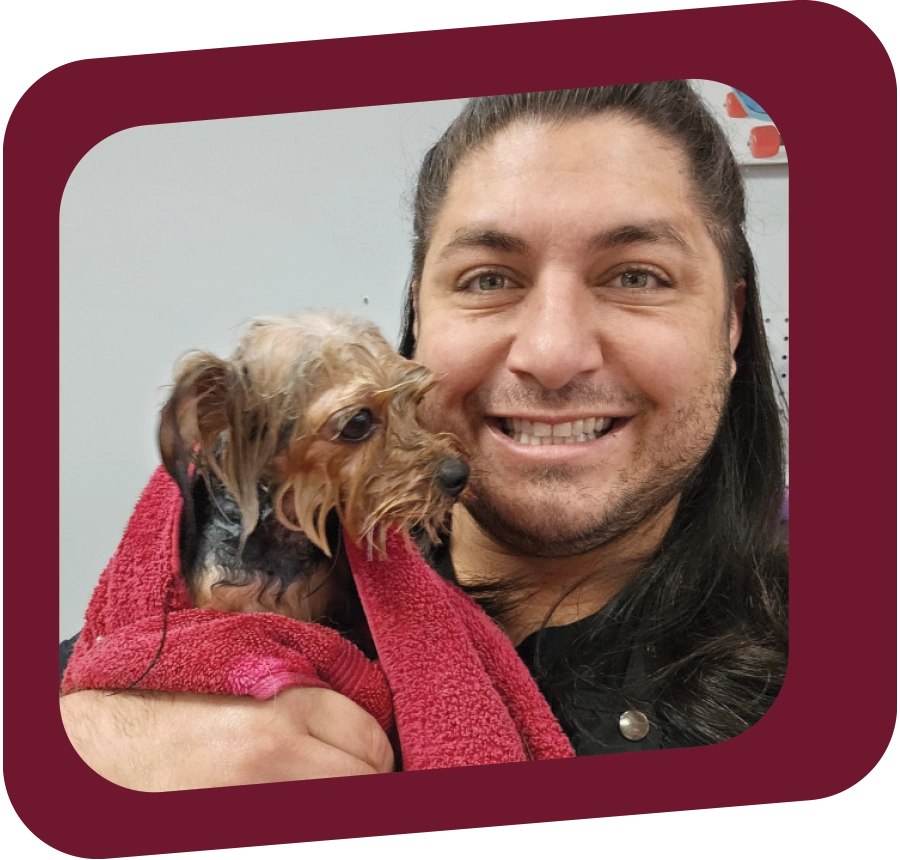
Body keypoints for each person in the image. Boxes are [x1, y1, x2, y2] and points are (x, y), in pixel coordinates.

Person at [59, 81, 788, 790]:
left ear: (730, 323)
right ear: (418, 315)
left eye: (636, 277)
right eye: (486, 279)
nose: (552, 352)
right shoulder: (118, 668)